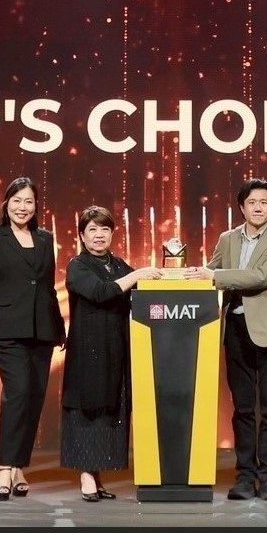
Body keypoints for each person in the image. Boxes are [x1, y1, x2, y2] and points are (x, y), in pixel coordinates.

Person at [183, 177, 267, 501]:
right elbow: (209, 272)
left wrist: (215, 276)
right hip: (234, 330)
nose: (258, 208)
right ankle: (245, 477)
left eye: (264, 202)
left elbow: (261, 276)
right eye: (252, 202)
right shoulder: (227, 238)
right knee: (242, 408)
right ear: (241, 207)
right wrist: (178, 275)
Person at [61, 205, 162, 501]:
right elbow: (101, 292)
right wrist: (139, 274)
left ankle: (97, 475)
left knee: (110, 410)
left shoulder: (118, 264)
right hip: (88, 352)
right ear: (82, 235)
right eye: (92, 229)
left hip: (117, 349)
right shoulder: (77, 265)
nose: (99, 235)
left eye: (104, 229)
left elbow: (140, 293)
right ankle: (86, 474)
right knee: (88, 409)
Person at [0, 176, 65, 501]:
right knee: (18, 393)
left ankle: (18, 466)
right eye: (17, 201)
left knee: (35, 396)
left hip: (42, 330)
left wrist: (58, 327)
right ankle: (4, 466)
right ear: (6, 203)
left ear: (36, 205)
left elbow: (48, 287)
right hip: (8, 330)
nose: (22, 207)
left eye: (28, 201)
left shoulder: (45, 238)